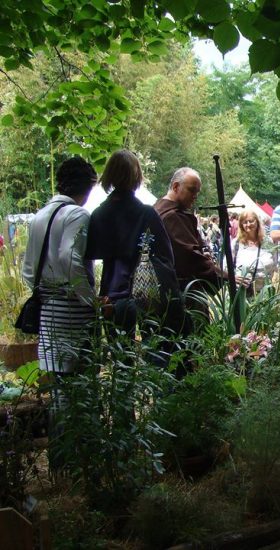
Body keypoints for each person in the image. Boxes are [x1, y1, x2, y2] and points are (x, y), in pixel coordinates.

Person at [22, 158, 97, 464]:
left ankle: (59, 459)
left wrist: (46, 290)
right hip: (72, 310)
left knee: (59, 387)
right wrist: (89, 298)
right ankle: (77, 457)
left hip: (47, 309)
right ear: (86, 187)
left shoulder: (40, 215)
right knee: (78, 386)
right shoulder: (77, 214)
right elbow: (70, 258)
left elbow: (28, 270)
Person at [87, 150, 182, 337]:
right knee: (154, 354)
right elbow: (166, 258)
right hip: (145, 294)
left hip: (110, 294)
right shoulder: (146, 214)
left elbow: (89, 258)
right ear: (136, 176)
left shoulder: (99, 214)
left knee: (121, 358)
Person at [154, 168, 240, 305]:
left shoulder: (163, 211)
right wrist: (225, 276)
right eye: (191, 190)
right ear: (176, 186)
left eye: (197, 192)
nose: (195, 196)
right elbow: (190, 257)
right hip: (180, 293)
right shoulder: (172, 216)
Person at [234, 209, 275, 296]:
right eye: (245, 222)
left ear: (257, 222)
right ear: (241, 225)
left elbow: (275, 262)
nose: (248, 224)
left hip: (265, 293)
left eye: (251, 221)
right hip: (243, 294)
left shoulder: (268, 242)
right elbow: (226, 267)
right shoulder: (236, 244)